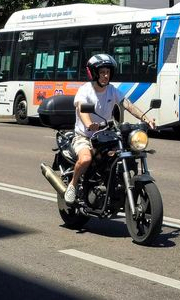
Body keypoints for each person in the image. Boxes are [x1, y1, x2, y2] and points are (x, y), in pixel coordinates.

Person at [65, 53, 155, 205]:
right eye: (102, 72)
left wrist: (146, 119)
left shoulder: (112, 90)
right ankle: (72, 185)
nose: (105, 75)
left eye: (108, 72)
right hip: (85, 136)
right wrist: (89, 124)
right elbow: (82, 109)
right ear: (94, 73)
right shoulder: (85, 91)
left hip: (105, 135)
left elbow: (128, 105)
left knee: (125, 152)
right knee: (86, 159)